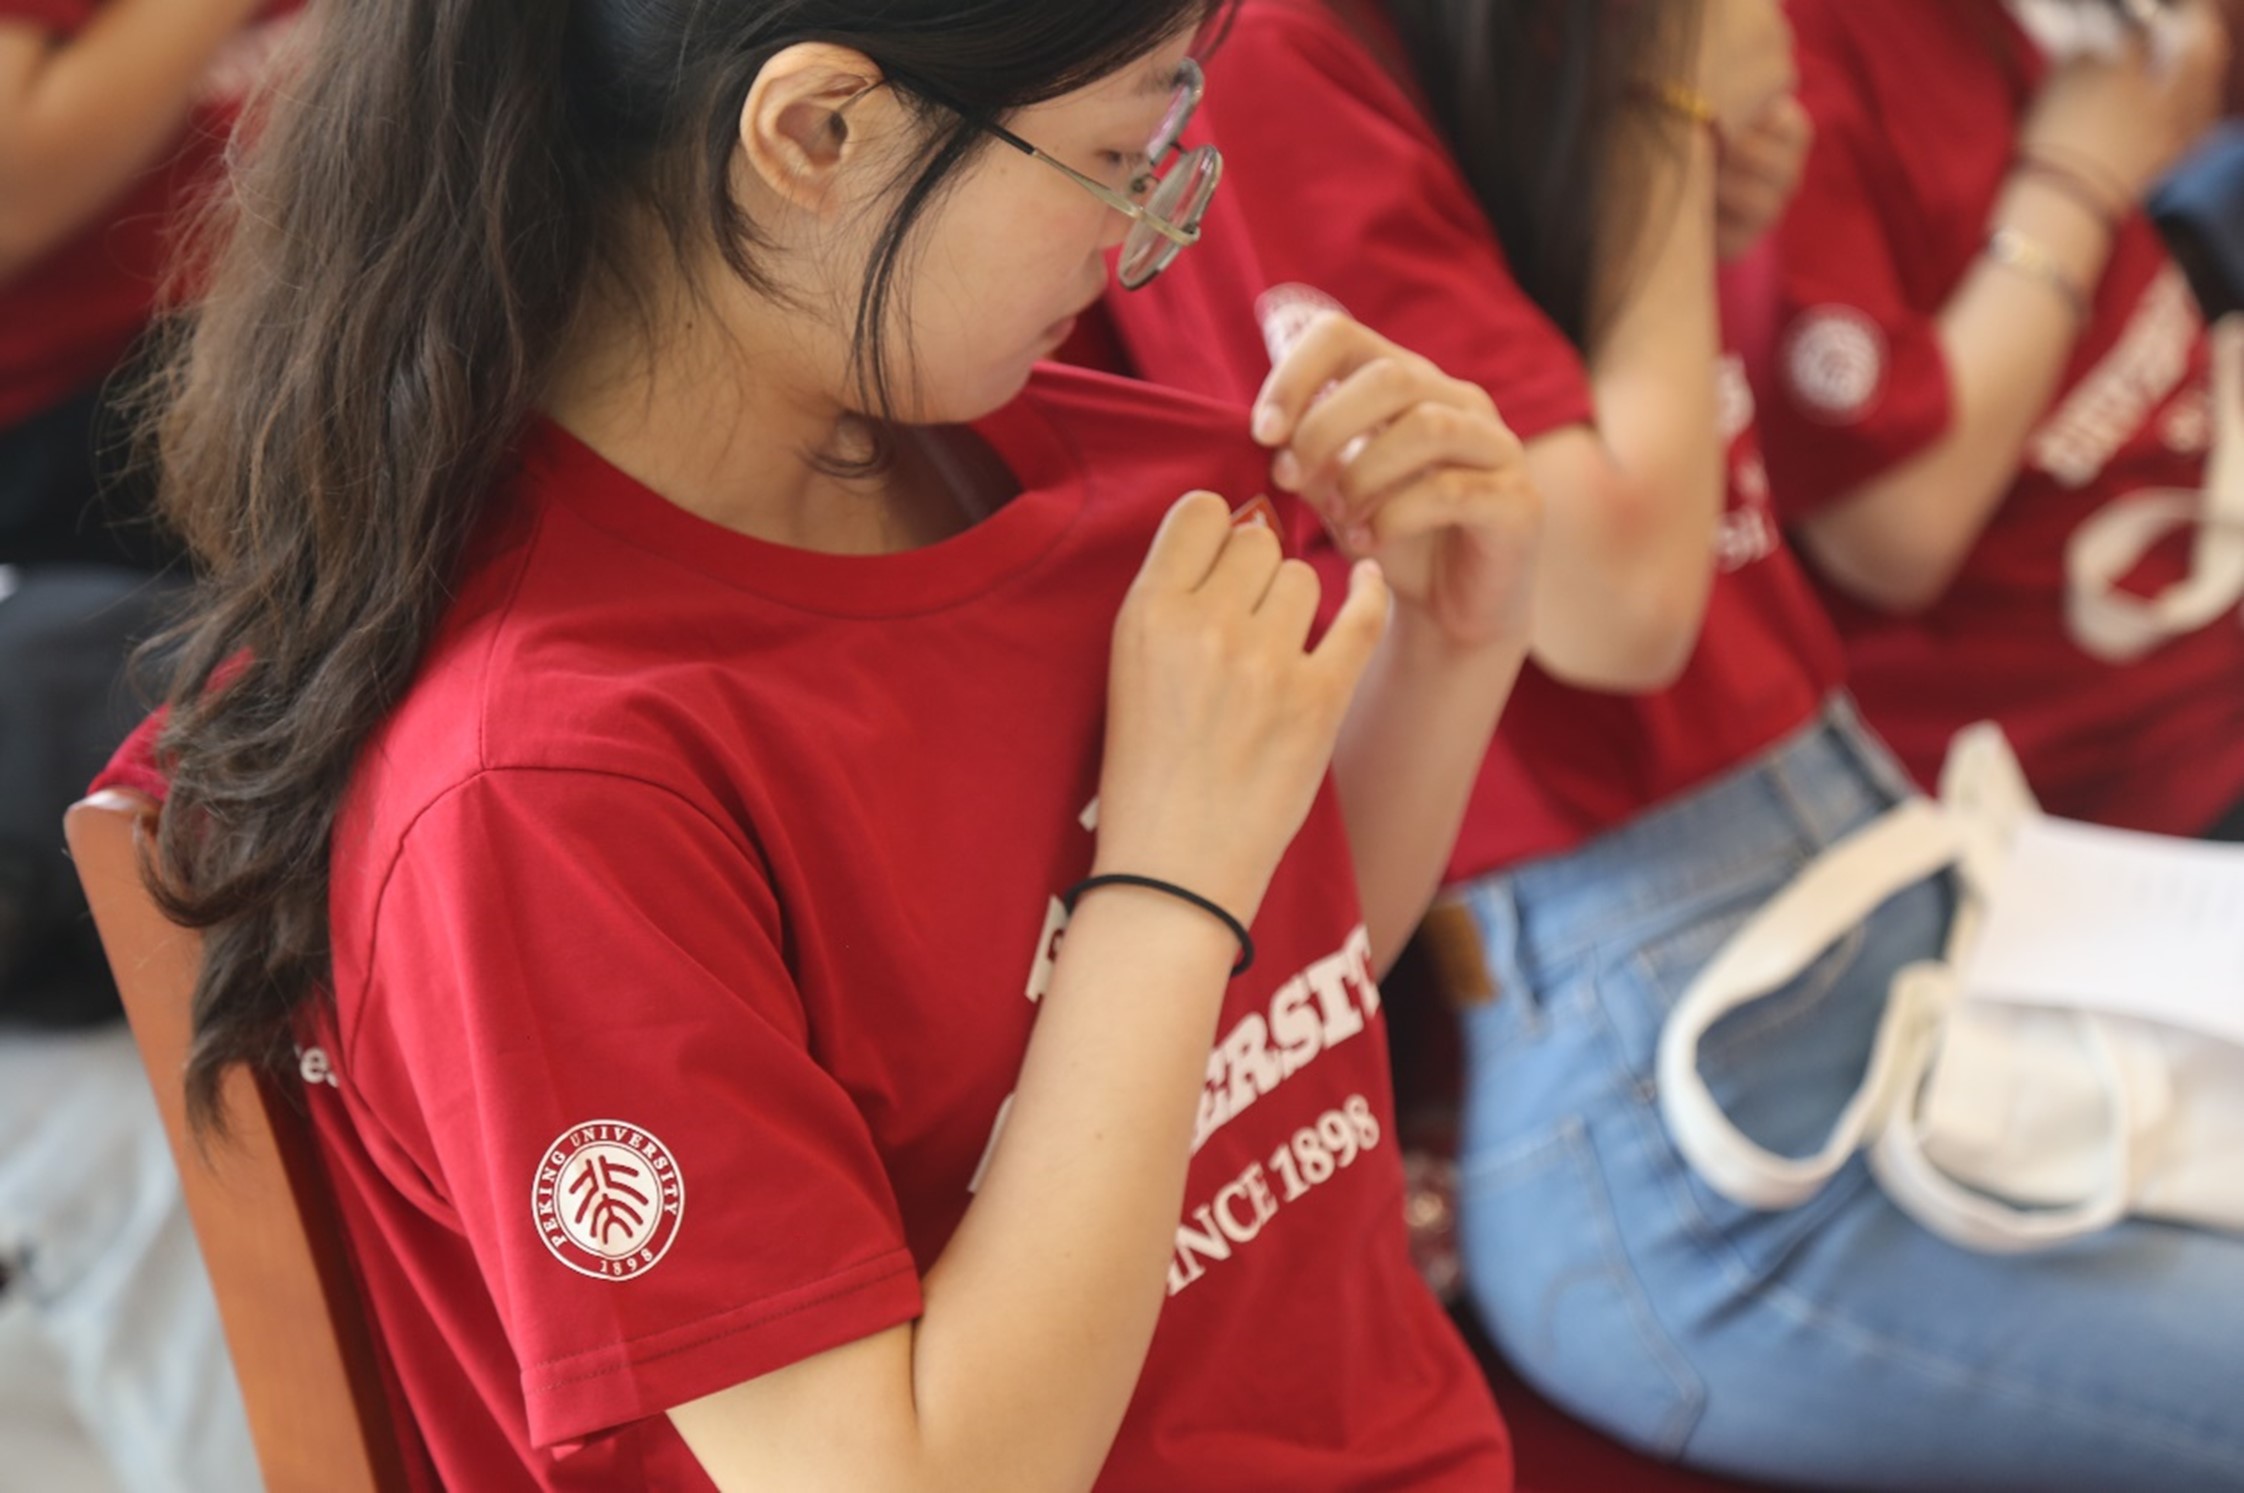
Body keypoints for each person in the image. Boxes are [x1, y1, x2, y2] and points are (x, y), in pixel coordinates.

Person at [118, 0, 1549, 1487]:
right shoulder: (540, 788)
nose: (1143, 231)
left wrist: (1450, 645)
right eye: (1120, 151)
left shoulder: (1046, 460)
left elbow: (1268, 1010)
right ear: (818, 131)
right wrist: (1161, 884)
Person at [1093, 0, 2244, 1487]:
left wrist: (1679, 154)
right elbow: (1623, 601)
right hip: (1680, 1073)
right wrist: (1665, 115)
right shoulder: (1262, 55)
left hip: (1853, 891)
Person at [1763, 0, 2244, 841]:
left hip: (2198, 626)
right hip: (2096, 776)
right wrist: (2076, 179)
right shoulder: (1793, 74)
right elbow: (1897, 531)